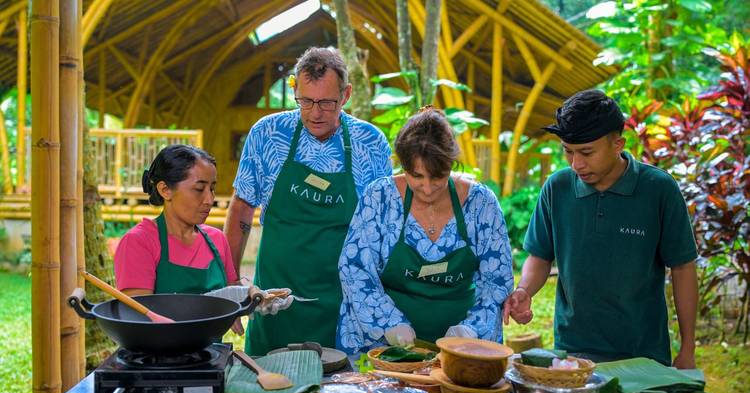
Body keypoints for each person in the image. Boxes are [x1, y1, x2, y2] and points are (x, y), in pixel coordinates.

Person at [503, 89, 699, 368]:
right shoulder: (556, 188)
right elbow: (540, 256)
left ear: (618, 144)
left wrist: (688, 348)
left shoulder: (659, 189)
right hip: (572, 351)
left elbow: (683, 268)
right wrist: (524, 290)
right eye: (568, 152)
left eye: (586, 152)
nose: (576, 164)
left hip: (644, 353)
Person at [224, 47, 392, 355]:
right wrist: (232, 282)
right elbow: (241, 209)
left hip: (344, 303)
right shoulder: (268, 134)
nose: (315, 113)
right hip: (275, 300)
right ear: (295, 91)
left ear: (346, 95)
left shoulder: (371, 143)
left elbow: (381, 225)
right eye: (306, 101)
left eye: (327, 103)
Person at [336, 107, 514, 354]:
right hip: (381, 344)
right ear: (403, 166)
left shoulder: (481, 204)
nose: (428, 188)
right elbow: (355, 270)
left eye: (438, 177)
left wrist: (470, 330)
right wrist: (389, 323)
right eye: (417, 176)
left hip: (462, 349)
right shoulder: (379, 198)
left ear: (451, 165)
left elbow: (497, 281)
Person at [114, 145, 289, 333]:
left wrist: (252, 298)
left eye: (212, 188)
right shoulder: (140, 242)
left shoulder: (216, 240)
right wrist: (216, 302)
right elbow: (139, 319)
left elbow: (233, 295)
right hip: (157, 357)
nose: (209, 199)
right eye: (199, 189)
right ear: (165, 190)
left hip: (210, 356)